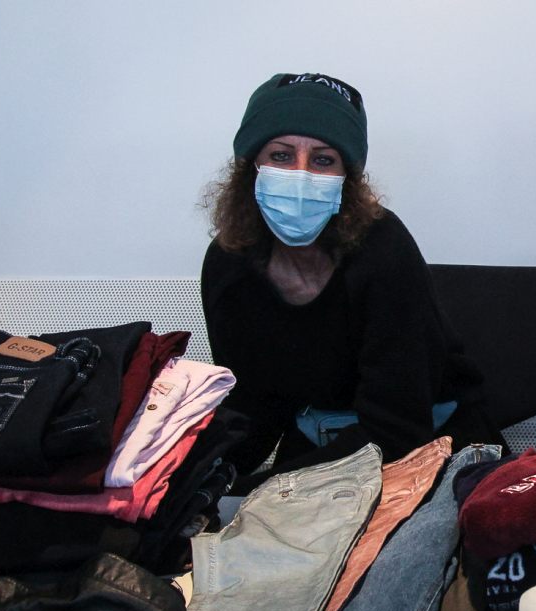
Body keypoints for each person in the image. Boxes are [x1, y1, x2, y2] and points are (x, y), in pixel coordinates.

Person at [201, 73, 501, 492]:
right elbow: (252, 406)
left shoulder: (383, 249)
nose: (301, 176)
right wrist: (199, 481)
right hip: (322, 440)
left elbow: (397, 428)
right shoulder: (229, 264)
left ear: (348, 177)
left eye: (323, 160)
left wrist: (258, 489)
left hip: (431, 444)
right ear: (250, 167)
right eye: (281, 156)